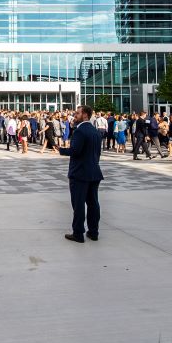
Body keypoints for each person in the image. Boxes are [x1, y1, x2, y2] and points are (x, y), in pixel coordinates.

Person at [55, 104, 102, 243]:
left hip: (80, 173)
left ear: (85, 115)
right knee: (93, 203)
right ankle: (93, 232)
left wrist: (61, 150)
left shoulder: (80, 131)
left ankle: (78, 233)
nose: (75, 116)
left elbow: (75, 151)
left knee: (79, 204)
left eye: (77, 113)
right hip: (94, 171)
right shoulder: (95, 131)